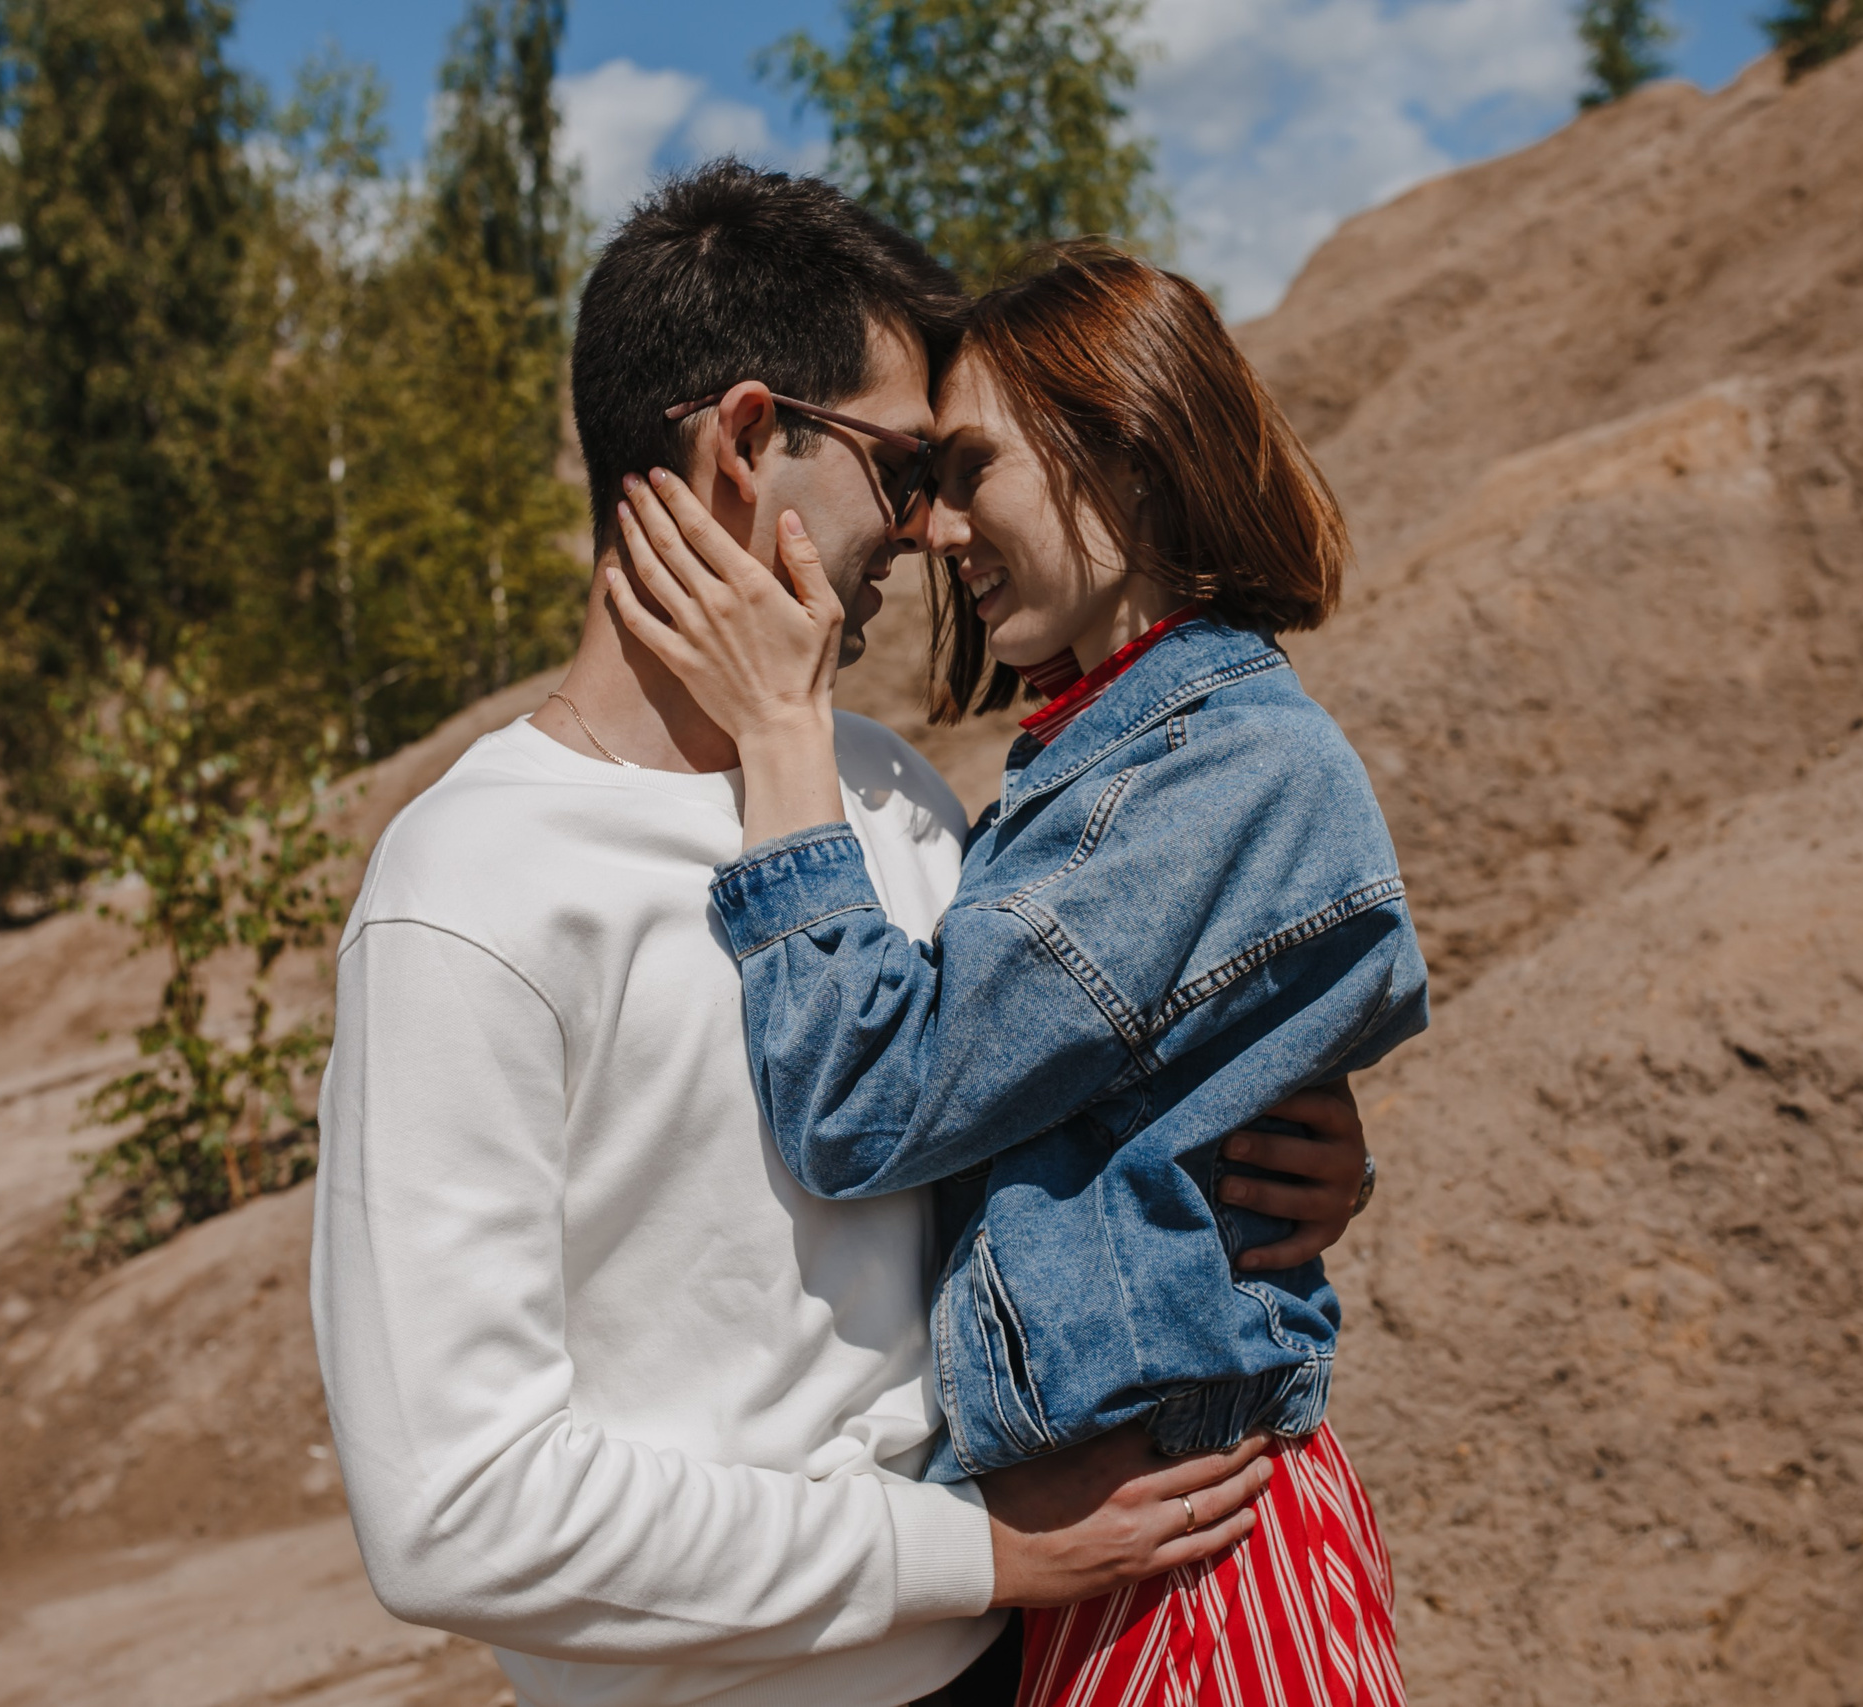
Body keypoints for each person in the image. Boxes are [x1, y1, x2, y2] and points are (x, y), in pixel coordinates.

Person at [311, 165, 1383, 1707]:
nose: (932, 532)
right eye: (901, 467)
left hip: (1024, 1656)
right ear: (752, 441)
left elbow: (1027, 1113)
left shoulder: (883, 801)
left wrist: (1278, 1148)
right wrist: (970, 1555)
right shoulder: (470, 895)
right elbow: (454, 1512)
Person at [602, 241, 1426, 1705]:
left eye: (968, 471)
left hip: (1197, 1557)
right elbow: (1100, 1095)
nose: (930, 531)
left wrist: (787, 747)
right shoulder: (1103, 761)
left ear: (1123, 447)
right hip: (1125, 1551)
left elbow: (871, 1099)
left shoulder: (1219, 767)